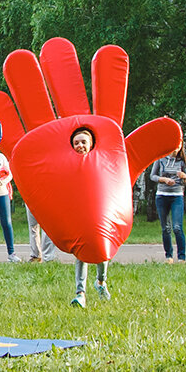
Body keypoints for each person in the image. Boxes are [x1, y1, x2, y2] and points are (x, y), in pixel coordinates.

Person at [71, 128, 108, 307]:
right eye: (76, 143)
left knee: (102, 253)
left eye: (83, 142)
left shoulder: (98, 161)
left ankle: (100, 282)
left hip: (99, 213)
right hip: (79, 214)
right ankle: (80, 293)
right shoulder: (69, 164)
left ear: (91, 144)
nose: (80, 146)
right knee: (81, 254)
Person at [151, 145, 186, 263]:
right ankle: (169, 256)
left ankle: (181, 257)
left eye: (178, 147)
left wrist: (184, 177)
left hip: (177, 196)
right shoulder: (160, 159)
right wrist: (164, 180)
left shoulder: (183, 162)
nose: (175, 149)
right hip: (162, 195)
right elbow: (152, 176)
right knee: (165, 228)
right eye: (173, 147)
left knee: (177, 227)